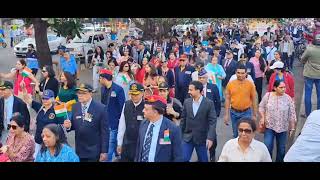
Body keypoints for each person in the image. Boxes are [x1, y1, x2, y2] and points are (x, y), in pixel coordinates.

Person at [63, 83, 108, 162]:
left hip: (94, 151)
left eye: (83, 93)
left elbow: (105, 131)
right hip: (80, 150)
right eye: (78, 93)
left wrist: (104, 151)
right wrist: (68, 126)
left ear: (90, 93)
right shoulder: (75, 107)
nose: (80, 95)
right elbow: (75, 125)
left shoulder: (101, 108)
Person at [135, 95, 183, 162]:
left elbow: (178, 155)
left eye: (146, 109)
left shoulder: (172, 129)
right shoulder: (143, 124)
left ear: (155, 112)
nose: (143, 111)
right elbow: (139, 149)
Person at [259, 80, 297, 162]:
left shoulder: (288, 98)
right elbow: (261, 107)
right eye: (281, 87)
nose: (283, 89)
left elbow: (292, 114)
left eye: (284, 87)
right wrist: (262, 117)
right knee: (267, 146)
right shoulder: (268, 96)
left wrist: (292, 128)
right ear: (275, 88)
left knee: (281, 150)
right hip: (269, 127)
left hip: (283, 128)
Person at [22, 88, 65, 158]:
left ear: (53, 99)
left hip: (51, 142)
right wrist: (23, 90)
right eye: (43, 98)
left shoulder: (59, 108)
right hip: (38, 140)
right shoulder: (40, 107)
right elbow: (28, 100)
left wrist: (58, 142)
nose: (45, 100)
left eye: (47, 98)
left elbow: (62, 127)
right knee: (35, 158)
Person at [180, 81, 217, 162]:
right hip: (188, 137)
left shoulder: (209, 103)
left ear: (198, 90)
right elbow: (183, 120)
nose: (188, 91)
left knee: (203, 160)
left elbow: (212, 122)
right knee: (183, 158)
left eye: (191, 90)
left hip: (202, 138)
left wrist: (210, 138)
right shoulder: (187, 102)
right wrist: (180, 135)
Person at [224, 64, 257, 138]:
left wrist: (255, 114)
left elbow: (254, 99)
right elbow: (227, 99)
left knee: (246, 134)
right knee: (236, 134)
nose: (240, 75)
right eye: (238, 73)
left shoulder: (250, 84)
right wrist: (226, 114)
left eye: (242, 73)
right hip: (234, 113)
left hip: (246, 113)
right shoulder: (230, 84)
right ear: (235, 73)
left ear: (246, 73)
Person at [99, 69, 125, 162]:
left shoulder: (118, 89)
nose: (99, 80)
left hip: (113, 124)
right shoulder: (102, 89)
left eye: (100, 78)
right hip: (105, 123)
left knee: (107, 151)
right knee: (113, 148)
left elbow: (122, 107)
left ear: (104, 78)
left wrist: (119, 123)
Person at [117, 83, 145, 162]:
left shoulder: (146, 106)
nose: (134, 96)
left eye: (136, 94)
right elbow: (122, 125)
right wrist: (119, 143)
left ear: (142, 93)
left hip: (140, 144)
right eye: (132, 94)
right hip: (127, 143)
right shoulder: (126, 104)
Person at [197, 69, 221, 162]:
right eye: (200, 78)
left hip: (211, 117)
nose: (201, 79)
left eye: (203, 78)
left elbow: (218, 101)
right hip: (199, 117)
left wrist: (217, 113)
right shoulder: (195, 87)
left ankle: (212, 155)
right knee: (199, 137)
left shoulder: (213, 87)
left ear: (207, 78)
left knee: (212, 136)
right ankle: (201, 157)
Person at [301, 33, 320, 117]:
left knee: (308, 94)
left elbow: (302, 59)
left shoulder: (309, 49)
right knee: (319, 94)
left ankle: (308, 114)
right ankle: (318, 114)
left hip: (309, 74)